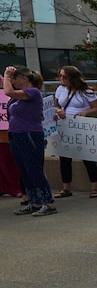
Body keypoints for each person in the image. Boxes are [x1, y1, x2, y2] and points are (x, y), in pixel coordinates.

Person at [5, 66, 57, 217]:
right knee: (24, 169)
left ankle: (48, 202)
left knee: (33, 168)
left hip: (29, 134)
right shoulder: (17, 97)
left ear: (25, 79)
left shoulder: (33, 91)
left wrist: (7, 75)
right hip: (16, 134)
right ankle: (34, 201)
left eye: (15, 78)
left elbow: (8, 91)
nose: (12, 81)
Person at [51, 66, 97, 199]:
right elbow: (56, 105)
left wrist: (85, 112)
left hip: (81, 126)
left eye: (65, 77)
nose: (61, 79)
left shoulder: (86, 91)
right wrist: (58, 110)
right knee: (64, 158)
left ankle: (95, 187)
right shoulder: (60, 89)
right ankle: (66, 188)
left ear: (72, 78)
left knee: (88, 158)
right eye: (60, 76)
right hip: (65, 125)